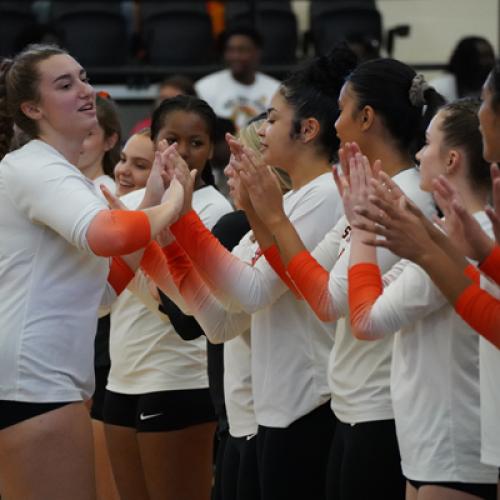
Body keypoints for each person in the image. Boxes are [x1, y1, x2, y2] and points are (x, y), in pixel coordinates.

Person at [235, 58, 444, 499]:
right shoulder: (368, 186)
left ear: (366, 118)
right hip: (350, 405)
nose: (336, 122)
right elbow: (301, 277)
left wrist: (272, 215)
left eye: (343, 109)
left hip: (380, 406)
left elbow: (330, 301)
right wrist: (261, 216)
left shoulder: (403, 196)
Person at [161, 46, 357, 500]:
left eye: (271, 118)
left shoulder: (325, 195)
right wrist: (161, 247)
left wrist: (184, 220)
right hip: (272, 411)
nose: (260, 130)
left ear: (308, 129)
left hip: (309, 405)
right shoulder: (285, 203)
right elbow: (222, 321)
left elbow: (248, 294)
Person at [0, 43, 184, 499]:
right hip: (35, 382)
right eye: (65, 84)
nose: (85, 90)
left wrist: (156, 200)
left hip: (40, 379)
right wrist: (176, 203)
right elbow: (109, 235)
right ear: (32, 108)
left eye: (83, 77)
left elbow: (101, 292)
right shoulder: (39, 168)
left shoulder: (54, 172)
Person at [345, 99, 498, 499]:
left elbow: (366, 320)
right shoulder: (451, 231)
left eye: (427, 143)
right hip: (430, 446)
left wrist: (361, 227)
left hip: (454, 450)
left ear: (451, 160)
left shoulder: (470, 236)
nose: (417, 153)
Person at [102, 95, 233, 500]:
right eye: (172, 139)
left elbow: (188, 314)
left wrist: (134, 255)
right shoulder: (126, 204)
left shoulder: (212, 211)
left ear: (211, 148)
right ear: (154, 139)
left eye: (197, 142)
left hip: (179, 376)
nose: (185, 152)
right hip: (121, 375)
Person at [77, 91, 122, 500]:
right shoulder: (65, 186)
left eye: (91, 134)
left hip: (104, 333)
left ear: (110, 141)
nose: (81, 140)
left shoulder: (105, 192)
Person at [195, 26, 280, 130]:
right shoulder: (205, 87)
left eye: (242, 50)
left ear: (257, 52)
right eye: (230, 50)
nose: (235, 56)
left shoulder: (276, 89)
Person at [430, 36, 495, 103]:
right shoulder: (440, 88)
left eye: (491, 56)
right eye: (483, 57)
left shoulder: (494, 87)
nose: (490, 62)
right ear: (466, 60)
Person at [130, 75, 197, 135]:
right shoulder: (143, 128)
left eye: (173, 99)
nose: (165, 103)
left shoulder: (199, 128)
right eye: (162, 98)